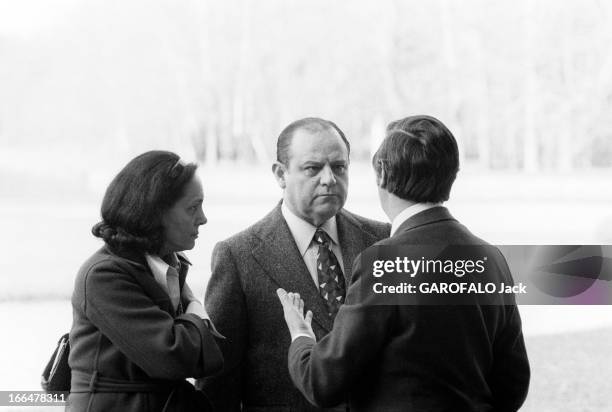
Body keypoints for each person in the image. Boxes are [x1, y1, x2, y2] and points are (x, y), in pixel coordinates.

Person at [277, 115, 531, 411]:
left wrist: (301, 336)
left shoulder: (383, 263)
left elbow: (321, 381)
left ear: (381, 172)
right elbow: (513, 384)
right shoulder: (492, 258)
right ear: (452, 174)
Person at [198, 117, 390, 411]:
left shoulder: (384, 240)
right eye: (313, 168)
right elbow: (218, 384)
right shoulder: (237, 257)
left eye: (339, 167)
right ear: (280, 174)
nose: (329, 179)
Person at [68, 151, 223, 412]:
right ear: (154, 213)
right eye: (192, 207)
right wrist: (196, 311)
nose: (203, 218)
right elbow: (173, 357)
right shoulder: (103, 276)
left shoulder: (167, 263)